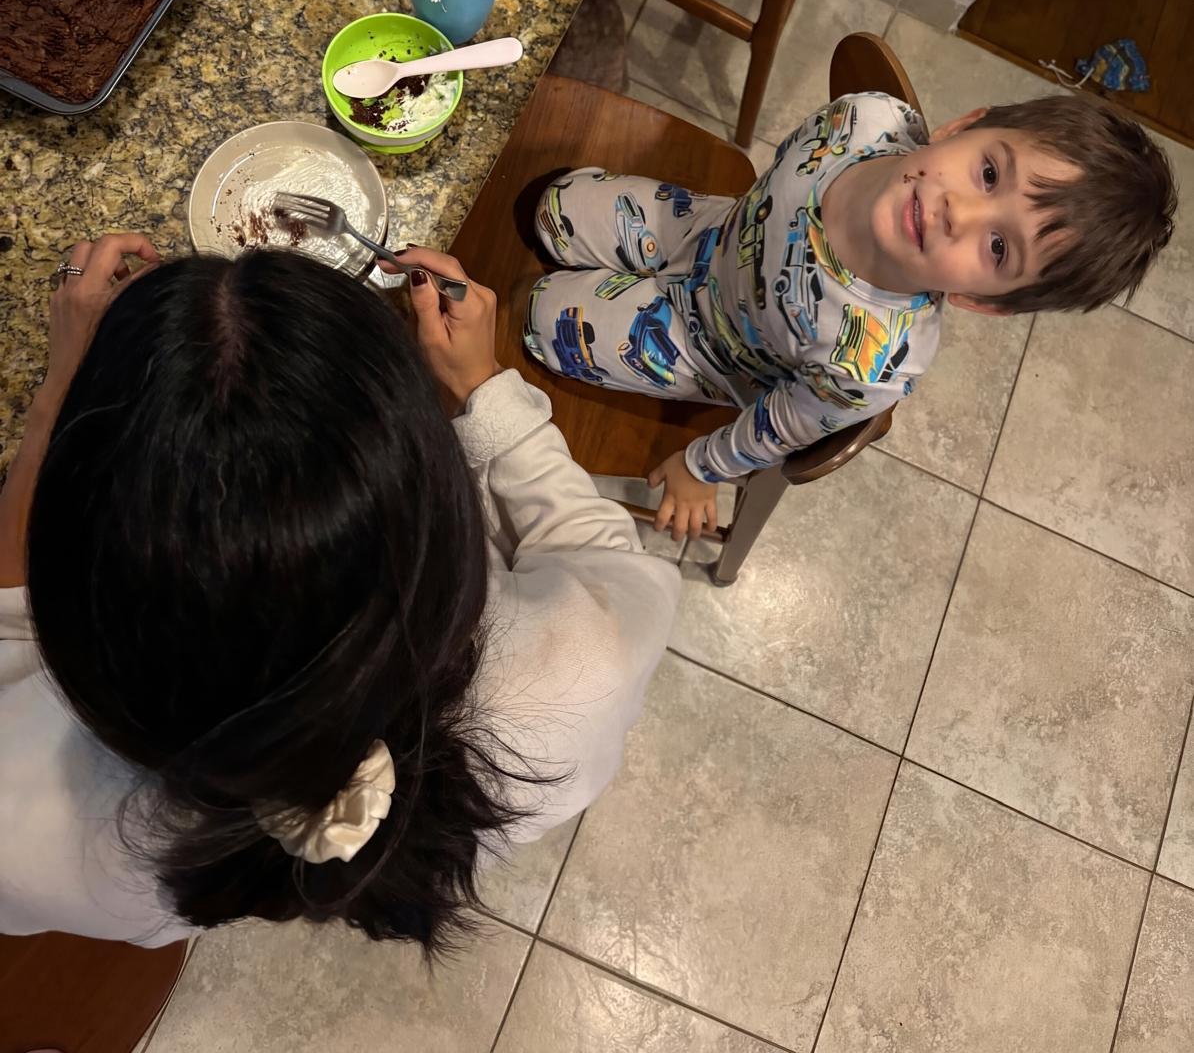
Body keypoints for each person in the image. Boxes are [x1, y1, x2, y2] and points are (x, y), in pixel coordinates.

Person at [0, 235, 680, 947]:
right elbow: (593, 549)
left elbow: (13, 620)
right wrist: (485, 390)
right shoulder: (583, 669)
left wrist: (61, 392)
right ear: (441, 517)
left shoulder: (31, 828)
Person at [525, 92, 1177, 540]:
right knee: (551, 207)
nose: (961, 213)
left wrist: (702, 470)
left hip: (703, 349)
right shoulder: (865, 120)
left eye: (999, 248)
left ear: (983, 301)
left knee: (540, 317)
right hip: (702, 228)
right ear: (962, 125)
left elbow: (780, 426)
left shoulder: (873, 364)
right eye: (988, 173)